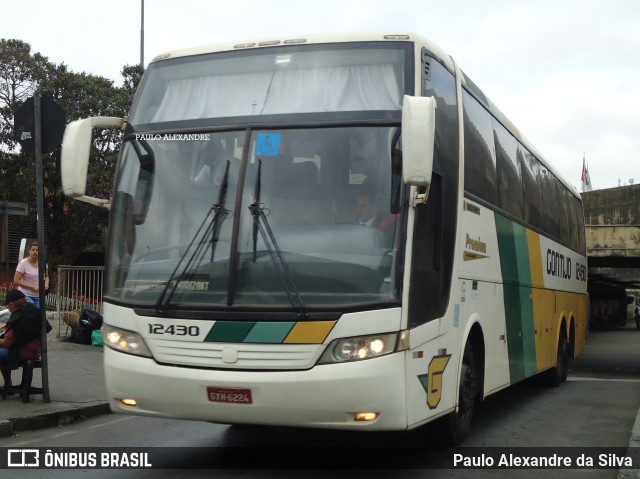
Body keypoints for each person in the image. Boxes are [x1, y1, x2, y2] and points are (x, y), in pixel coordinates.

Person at [0, 289, 43, 394]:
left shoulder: (17, 317)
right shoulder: (32, 310)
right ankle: (8, 384)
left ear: (12, 304)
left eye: (8, 306)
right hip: (35, 348)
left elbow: (6, 343)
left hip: (23, 350)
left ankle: (7, 384)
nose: (8, 308)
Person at [13, 242, 49, 309]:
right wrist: (32, 286)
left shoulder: (43, 263)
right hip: (25, 294)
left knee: (38, 313)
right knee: (31, 310)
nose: (35, 252)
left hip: (38, 295)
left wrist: (46, 284)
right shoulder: (23, 263)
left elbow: (46, 276)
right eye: (33, 250)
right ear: (29, 251)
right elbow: (16, 281)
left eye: (37, 250)